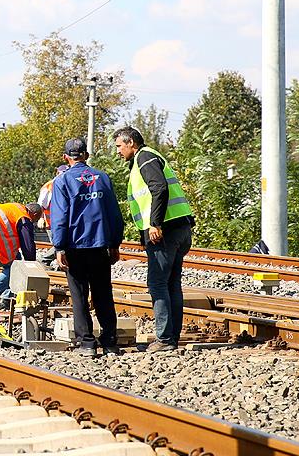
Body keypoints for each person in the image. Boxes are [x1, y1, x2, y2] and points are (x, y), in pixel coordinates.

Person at [114, 126, 194, 352]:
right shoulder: (150, 157)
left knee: (158, 284)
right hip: (180, 227)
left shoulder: (145, 157)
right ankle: (171, 336)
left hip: (165, 231)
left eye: (119, 146)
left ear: (131, 143)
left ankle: (165, 339)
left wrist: (155, 224)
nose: (118, 151)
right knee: (171, 284)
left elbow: (159, 187)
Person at [51, 139, 124, 357]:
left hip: (75, 247)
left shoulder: (62, 181)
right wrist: (115, 243)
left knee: (79, 295)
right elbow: (114, 213)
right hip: (100, 245)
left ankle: (87, 343)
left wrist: (59, 247)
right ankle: (110, 340)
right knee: (103, 292)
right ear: (87, 155)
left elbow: (60, 217)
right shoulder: (102, 178)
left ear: (66, 158)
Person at [37, 164, 70, 265]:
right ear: (57, 173)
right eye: (62, 173)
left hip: (63, 221)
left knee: (62, 244)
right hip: (51, 222)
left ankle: (59, 264)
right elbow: (41, 204)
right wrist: (41, 218)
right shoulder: (50, 186)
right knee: (59, 245)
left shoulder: (68, 184)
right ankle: (44, 260)